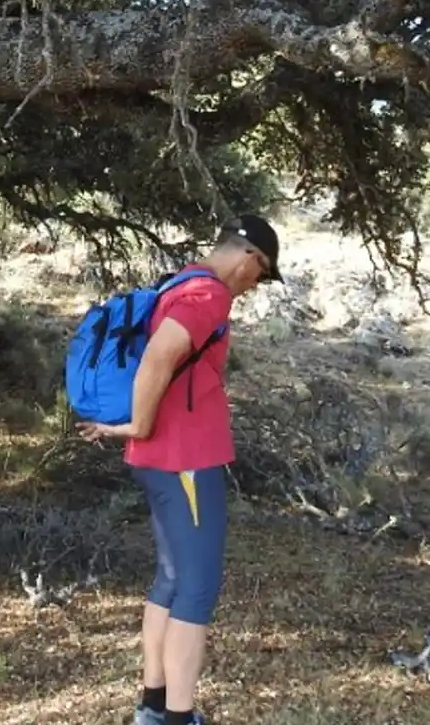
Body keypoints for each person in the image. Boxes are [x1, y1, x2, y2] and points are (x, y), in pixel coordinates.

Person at [77, 215, 283, 725]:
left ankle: (153, 704)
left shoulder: (180, 281)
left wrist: (137, 432)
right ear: (249, 257)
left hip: (164, 460)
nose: (256, 285)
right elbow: (158, 358)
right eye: (262, 273)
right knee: (197, 585)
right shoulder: (206, 294)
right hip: (184, 459)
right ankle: (177, 715)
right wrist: (137, 427)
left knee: (171, 578)